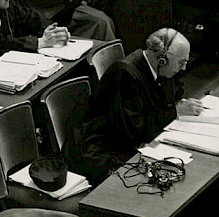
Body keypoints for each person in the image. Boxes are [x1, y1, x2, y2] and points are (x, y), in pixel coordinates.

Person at [66, 28, 201, 186]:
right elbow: (133, 130)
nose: (183, 68)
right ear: (162, 59)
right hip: (101, 148)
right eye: (181, 62)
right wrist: (175, 112)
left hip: (129, 140)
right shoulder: (124, 75)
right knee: (158, 180)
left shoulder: (160, 70)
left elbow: (168, 100)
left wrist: (178, 108)